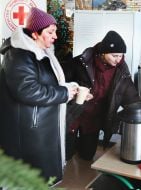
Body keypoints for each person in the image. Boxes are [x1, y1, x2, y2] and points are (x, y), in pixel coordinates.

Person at [0, 7, 79, 184]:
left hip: (40, 126)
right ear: (35, 33)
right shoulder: (19, 55)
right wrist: (63, 93)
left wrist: (69, 88)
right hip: (29, 131)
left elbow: (44, 83)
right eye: (50, 32)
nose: (55, 36)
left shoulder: (41, 51)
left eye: (55, 31)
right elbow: (28, 90)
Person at [63, 30, 140, 161]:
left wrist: (140, 112)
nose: (118, 59)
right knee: (66, 154)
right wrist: (73, 90)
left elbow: (130, 95)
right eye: (115, 55)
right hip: (73, 114)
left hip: (93, 119)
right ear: (103, 53)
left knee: (87, 155)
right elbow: (61, 82)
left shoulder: (121, 70)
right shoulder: (81, 63)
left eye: (121, 56)